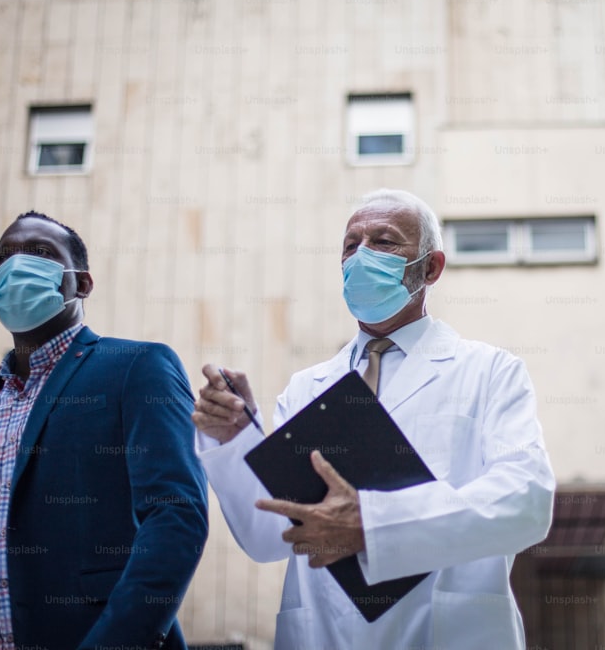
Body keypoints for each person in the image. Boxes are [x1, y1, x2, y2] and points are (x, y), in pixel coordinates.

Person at [192, 188, 555, 649]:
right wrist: (236, 440)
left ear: (430, 268)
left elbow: (525, 502)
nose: (361, 256)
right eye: (350, 245)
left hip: (447, 634)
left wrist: (374, 524)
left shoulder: (489, 372)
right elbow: (269, 536)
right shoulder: (307, 388)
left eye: (384, 242)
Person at [0, 212, 209, 649]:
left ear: (83, 284)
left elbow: (176, 516)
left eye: (39, 253)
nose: (16, 266)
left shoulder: (137, 368)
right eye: (3, 257)